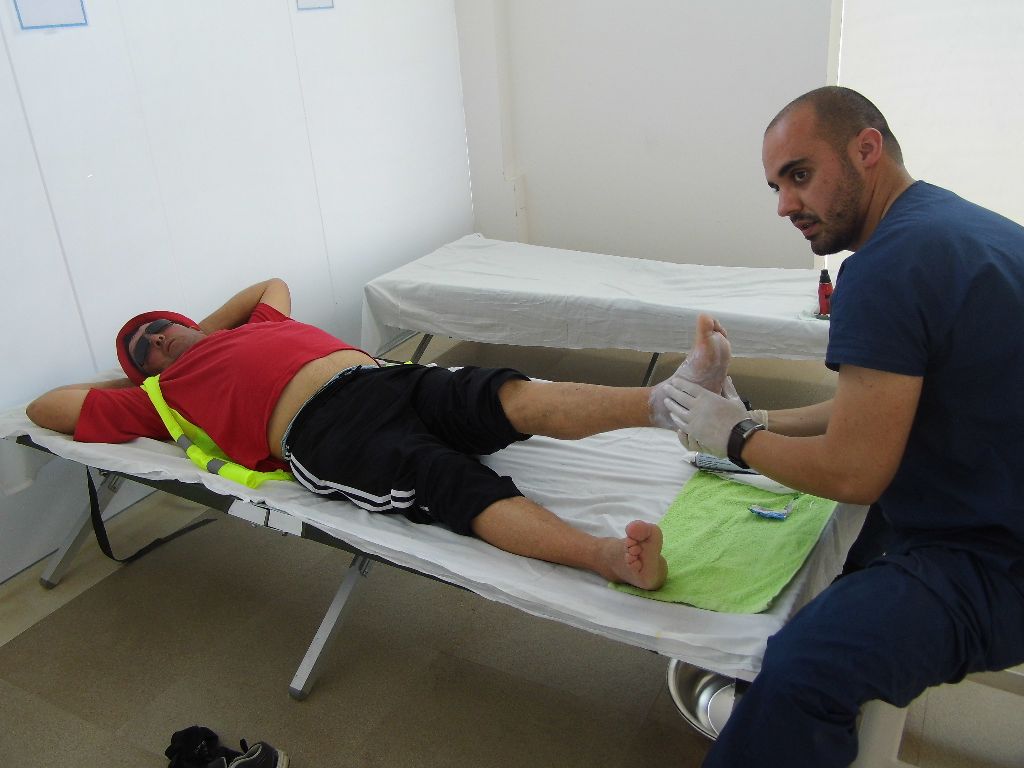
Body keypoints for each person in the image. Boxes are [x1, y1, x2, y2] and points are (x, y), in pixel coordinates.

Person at [666, 86, 1024, 767]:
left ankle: (784, 716)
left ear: (866, 148)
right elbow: (883, 402)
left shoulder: (884, 268)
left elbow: (854, 472)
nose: (784, 205)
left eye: (799, 175)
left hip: (997, 560)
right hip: (997, 485)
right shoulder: (952, 225)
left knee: (807, 663)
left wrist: (735, 439)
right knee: (846, 555)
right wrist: (759, 418)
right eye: (776, 186)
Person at [25, 277, 729, 591]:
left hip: (388, 378)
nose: (156, 339)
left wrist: (200, 332)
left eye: (159, 325)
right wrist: (147, 373)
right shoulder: (159, 398)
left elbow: (269, 282)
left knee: (504, 394)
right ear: (142, 371)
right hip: (325, 434)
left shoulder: (256, 325)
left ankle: (667, 403)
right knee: (449, 483)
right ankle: (606, 558)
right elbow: (45, 409)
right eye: (143, 346)